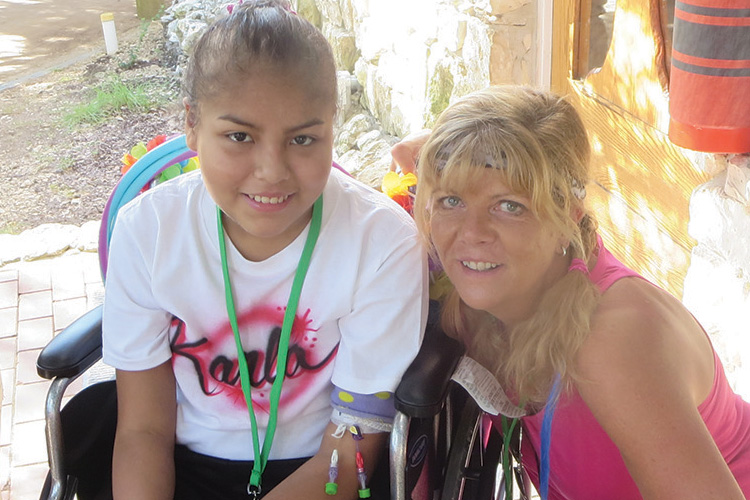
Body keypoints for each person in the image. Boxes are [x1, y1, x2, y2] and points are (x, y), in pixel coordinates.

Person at [101, 1, 428, 499]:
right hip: (182, 465)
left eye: (302, 138)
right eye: (239, 136)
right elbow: (143, 431)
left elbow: (352, 451)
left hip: (327, 469)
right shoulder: (148, 231)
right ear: (192, 124)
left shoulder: (382, 242)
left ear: (332, 127)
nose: (272, 170)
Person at [397, 85, 750, 499]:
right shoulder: (507, 289)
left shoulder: (610, 343)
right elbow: (407, 152)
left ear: (569, 214)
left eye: (509, 206)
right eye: (451, 200)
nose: (471, 234)